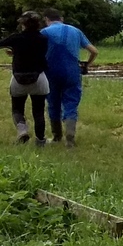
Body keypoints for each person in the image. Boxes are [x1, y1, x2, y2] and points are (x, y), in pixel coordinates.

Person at [40, 8, 97, 147]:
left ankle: (56, 136)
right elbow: (94, 51)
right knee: (71, 103)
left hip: (51, 73)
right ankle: (70, 137)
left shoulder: (44, 32)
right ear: (62, 19)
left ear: (47, 20)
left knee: (53, 103)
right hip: (72, 72)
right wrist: (86, 64)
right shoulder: (75, 31)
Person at [1, 11, 50, 145]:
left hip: (18, 78)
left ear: (22, 24)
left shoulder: (15, 38)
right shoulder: (43, 39)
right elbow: (35, 53)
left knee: (17, 108)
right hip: (39, 77)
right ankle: (40, 141)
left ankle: (22, 129)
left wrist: (15, 51)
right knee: (38, 111)